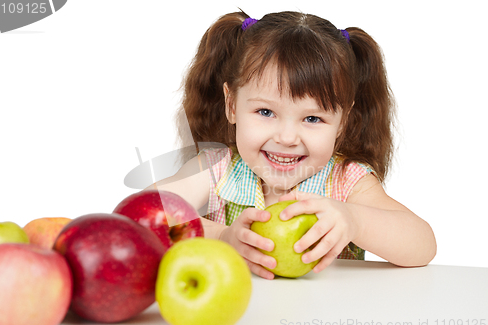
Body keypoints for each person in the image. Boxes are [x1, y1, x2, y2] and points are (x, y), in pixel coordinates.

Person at [146, 10, 437, 280]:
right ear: (232, 104)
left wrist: (355, 220)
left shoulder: (346, 181)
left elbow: (423, 245)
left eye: (312, 118)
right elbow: (141, 216)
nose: (286, 138)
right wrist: (221, 238)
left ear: (343, 121)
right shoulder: (216, 171)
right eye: (265, 112)